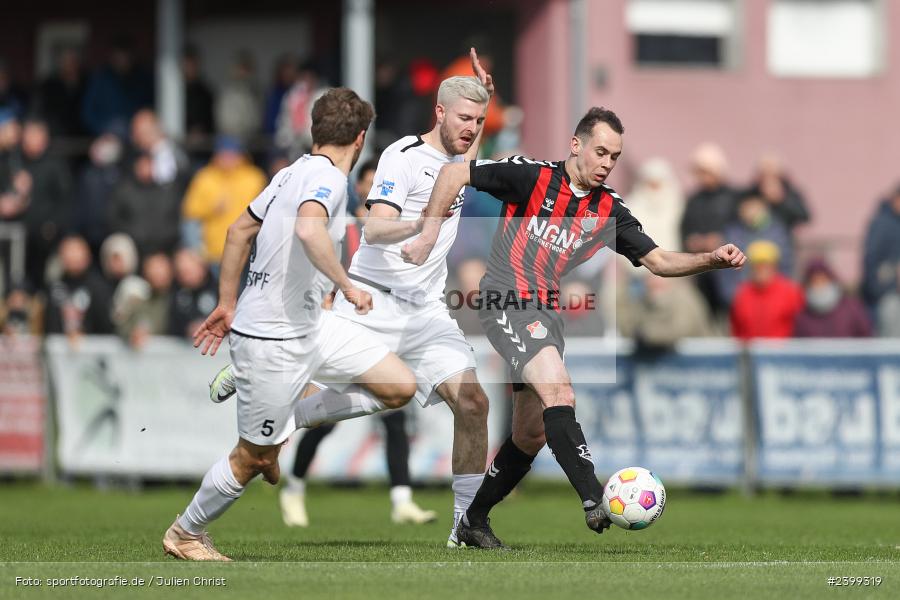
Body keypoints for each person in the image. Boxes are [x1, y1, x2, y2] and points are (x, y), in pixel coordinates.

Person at [403, 106, 746, 548]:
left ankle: (473, 522)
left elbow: (658, 261)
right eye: (600, 152)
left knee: (531, 432)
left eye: (615, 157)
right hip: (504, 297)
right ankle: (593, 498)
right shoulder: (531, 176)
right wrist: (430, 233)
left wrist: (710, 259)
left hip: (545, 312)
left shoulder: (609, 210)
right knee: (560, 393)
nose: (606, 163)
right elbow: (453, 175)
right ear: (576, 145)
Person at [210, 50, 497, 548]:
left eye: (479, 120)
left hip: (427, 312)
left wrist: (484, 96)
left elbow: (470, 148)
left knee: (472, 403)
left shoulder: (461, 159)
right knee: (300, 390)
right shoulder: (402, 157)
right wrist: (422, 225)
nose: (472, 128)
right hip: (374, 301)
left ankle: (463, 528)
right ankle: (261, 384)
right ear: (439, 114)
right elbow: (376, 226)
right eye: (464, 119)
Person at [163, 87, 417, 561]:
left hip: (310, 325)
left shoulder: (288, 172)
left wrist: (225, 302)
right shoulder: (326, 180)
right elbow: (307, 228)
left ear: (314, 130)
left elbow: (239, 231)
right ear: (360, 138)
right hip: (272, 338)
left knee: (400, 386)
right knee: (252, 459)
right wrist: (346, 283)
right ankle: (185, 533)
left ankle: (288, 419)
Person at [278, 156, 435, 528]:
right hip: (345, 328)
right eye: (368, 184)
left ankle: (402, 499)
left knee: (396, 415)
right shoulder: (345, 230)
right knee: (324, 419)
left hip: (381, 330)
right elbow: (321, 268)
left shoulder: (394, 237)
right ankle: (294, 486)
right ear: (360, 190)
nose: (372, 190)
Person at [181, 136, 266, 266]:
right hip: (212, 254)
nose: (227, 158)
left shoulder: (254, 178)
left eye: (232, 154)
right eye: (223, 154)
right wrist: (211, 208)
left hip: (247, 252)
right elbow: (189, 213)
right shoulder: (204, 177)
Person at [730, 240, 803, 340]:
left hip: (783, 353)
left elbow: (800, 326)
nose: (760, 269)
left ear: (774, 266)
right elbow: (736, 328)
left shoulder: (790, 291)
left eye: (765, 264)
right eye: (756, 265)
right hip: (750, 353)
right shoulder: (742, 293)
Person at [794, 257, 871, 338]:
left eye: (823, 280)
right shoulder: (802, 315)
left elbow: (866, 338)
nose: (820, 286)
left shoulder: (852, 308)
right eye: (815, 282)